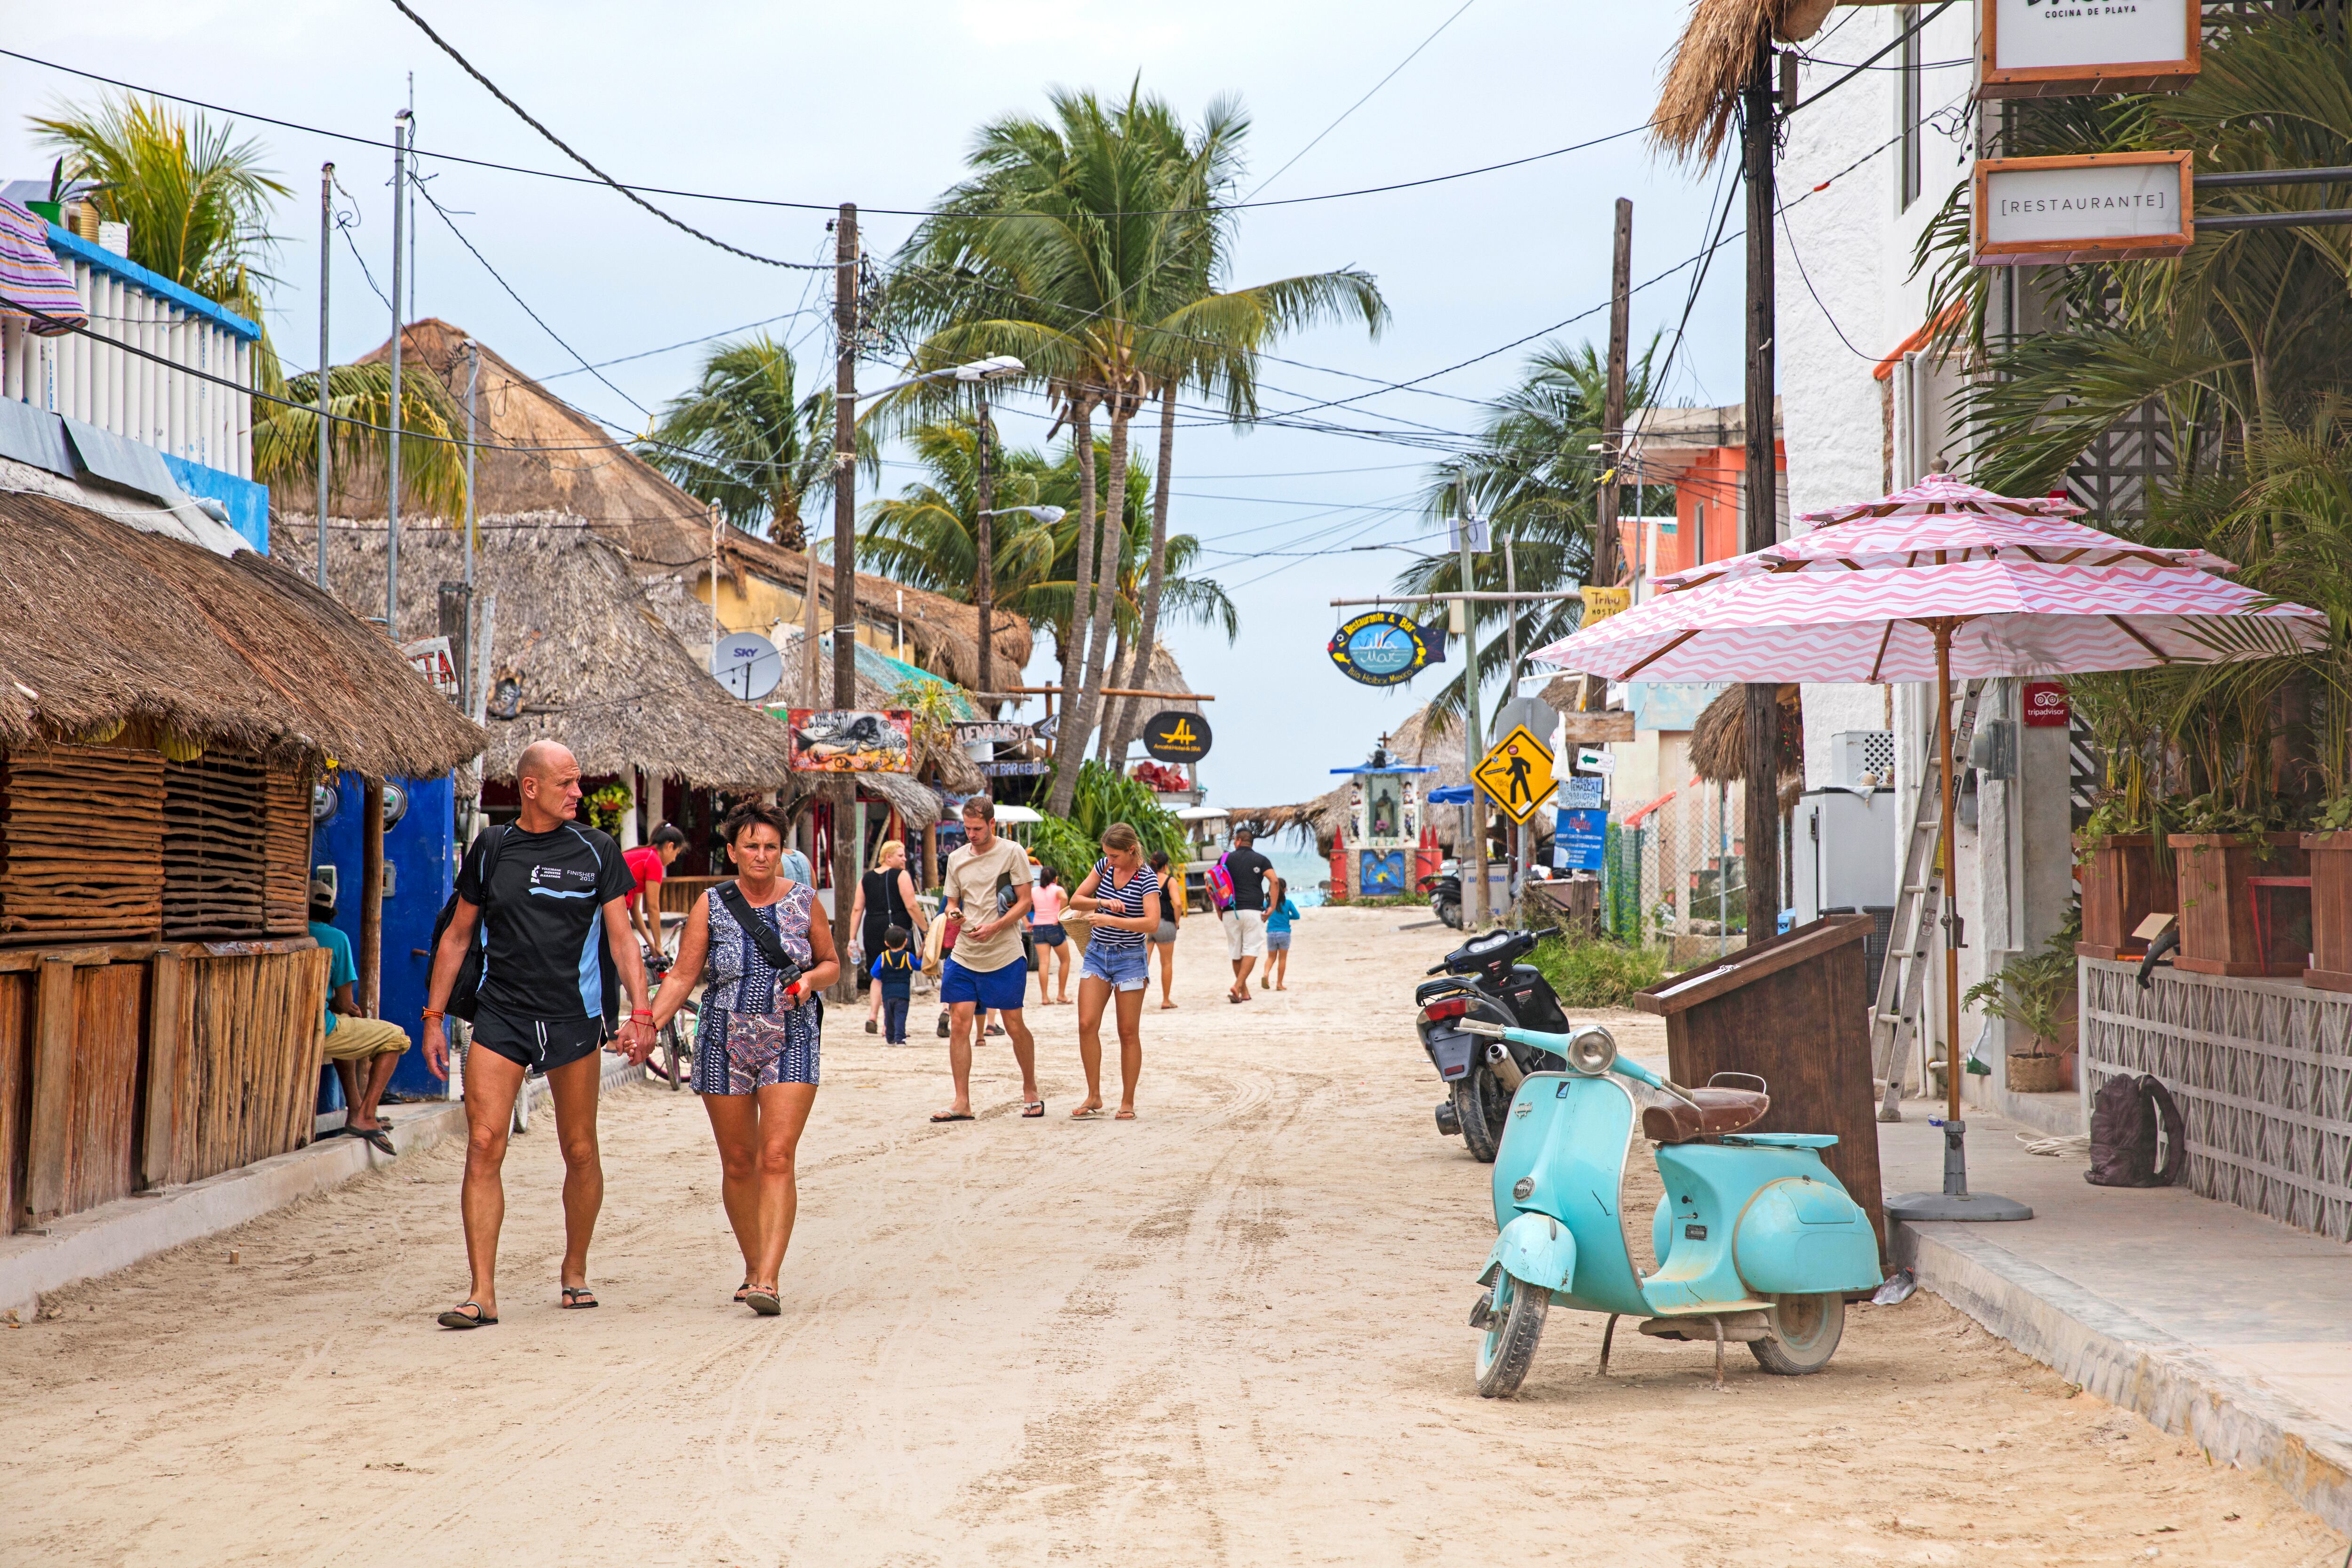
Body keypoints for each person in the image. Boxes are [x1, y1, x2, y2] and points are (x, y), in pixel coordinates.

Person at [421, 740, 652, 1329]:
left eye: (577, 783)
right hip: (501, 1016)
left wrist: (641, 1013)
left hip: (574, 1018)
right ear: (530, 788)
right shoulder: (493, 849)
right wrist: (433, 1017)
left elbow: (622, 939)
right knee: (483, 1143)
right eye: (566, 784)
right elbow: (457, 935)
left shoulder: (597, 850)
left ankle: (574, 1269)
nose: (578, 793)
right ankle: (482, 1292)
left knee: (578, 1148)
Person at [640, 802, 834, 1314]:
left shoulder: (805, 902)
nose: (761, 855)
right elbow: (683, 976)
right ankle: (753, 1266)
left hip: (791, 1034)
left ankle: (768, 1279)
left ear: (781, 852)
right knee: (739, 1162)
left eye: (770, 847)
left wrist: (810, 980)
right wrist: (647, 1024)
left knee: (776, 1156)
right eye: (751, 845)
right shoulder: (712, 904)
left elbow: (832, 962)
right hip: (722, 1038)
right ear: (732, 851)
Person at [932, 795, 1040, 1122]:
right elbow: (952, 900)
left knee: (1013, 1023)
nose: (972, 834)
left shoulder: (1012, 852)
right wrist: (954, 914)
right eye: (967, 828)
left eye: (978, 828)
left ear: (992, 824)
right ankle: (962, 1101)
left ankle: (1031, 1089)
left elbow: (1025, 902)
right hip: (965, 952)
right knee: (960, 1022)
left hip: (1005, 952)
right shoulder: (957, 858)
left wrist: (996, 926)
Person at [309, 877, 408, 1156]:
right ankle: (365, 1115)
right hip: (318, 1028)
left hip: (286, 1027)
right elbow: (344, 1002)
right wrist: (346, 1006)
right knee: (396, 1037)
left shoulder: (287, 932)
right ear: (330, 911)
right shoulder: (337, 939)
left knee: (349, 1031)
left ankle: (356, 1108)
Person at [1070, 824, 1161, 1120]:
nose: (1109, 860)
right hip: (1097, 955)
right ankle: (1094, 1096)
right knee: (1086, 1024)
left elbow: (1151, 924)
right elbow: (1075, 901)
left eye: (1115, 855)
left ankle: (1127, 1101)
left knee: (1127, 1032)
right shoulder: (1104, 867)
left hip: (1131, 959)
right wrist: (1102, 902)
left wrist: (1111, 920)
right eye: (1107, 855)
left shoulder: (1147, 878)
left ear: (1131, 851)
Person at [851, 839, 926, 1035]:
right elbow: (911, 905)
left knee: (878, 974)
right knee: (898, 974)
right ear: (888, 857)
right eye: (901, 856)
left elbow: (858, 909)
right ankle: (888, 1025)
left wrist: (853, 938)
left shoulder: (865, 879)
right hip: (896, 929)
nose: (905, 860)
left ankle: (873, 1016)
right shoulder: (901, 875)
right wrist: (927, 928)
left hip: (872, 929)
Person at [1219, 827, 1274, 1004]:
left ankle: (1244, 992)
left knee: (1236, 952)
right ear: (1251, 842)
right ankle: (1238, 985)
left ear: (1237, 841)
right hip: (1253, 911)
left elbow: (1213, 883)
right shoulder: (1261, 860)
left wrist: (1218, 908)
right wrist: (1272, 906)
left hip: (1230, 910)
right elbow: (1274, 880)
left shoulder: (1225, 859)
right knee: (1251, 950)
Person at [624, 822, 687, 956]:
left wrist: (651, 943)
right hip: (610, 909)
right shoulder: (654, 861)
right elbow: (653, 908)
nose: (674, 859)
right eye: (676, 854)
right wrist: (659, 945)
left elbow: (635, 910)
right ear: (670, 846)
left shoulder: (644, 855)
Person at [1028, 865, 1071, 1006]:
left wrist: (1027, 922)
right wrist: (1059, 915)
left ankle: (1045, 997)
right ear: (1056, 878)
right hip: (1054, 927)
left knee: (1044, 963)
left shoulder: (1034, 891)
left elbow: (1023, 905)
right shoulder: (1058, 890)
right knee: (1065, 960)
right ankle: (1061, 994)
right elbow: (1064, 898)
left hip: (1038, 928)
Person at [1147, 850, 1184, 1010]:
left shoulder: (1145, 879)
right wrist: (1176, 922)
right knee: (1167, 963)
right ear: (1166, 866)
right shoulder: (1170, 881)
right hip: (1165, 923)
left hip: (1147, 924)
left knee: (1143, 963)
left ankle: (1136, 998)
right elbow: (1177, 903)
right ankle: (1166, 1000)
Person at [871, 924, 916, 1043]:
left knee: (889, 1015)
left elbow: (874, 972)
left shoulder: (883, 957)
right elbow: (918, 966)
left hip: (887, 993)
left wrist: (884, 977)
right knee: (900, 1015)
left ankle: (890, 1037)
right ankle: (900, 1037)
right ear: (906, 942)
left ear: (886, 943)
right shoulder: (908, 957)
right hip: (903, 993)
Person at [1261, 875, 1301, 992]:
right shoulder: (1288, 903)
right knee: (1282, 959)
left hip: (1271, 933)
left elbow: (1263, 914)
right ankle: (1279, 984)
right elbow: (1297, 916)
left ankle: (1266, 974)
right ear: (1284, 890)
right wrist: (1286, 917)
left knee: (1271, 957)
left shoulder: (1267, 904)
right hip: (1284, 933)